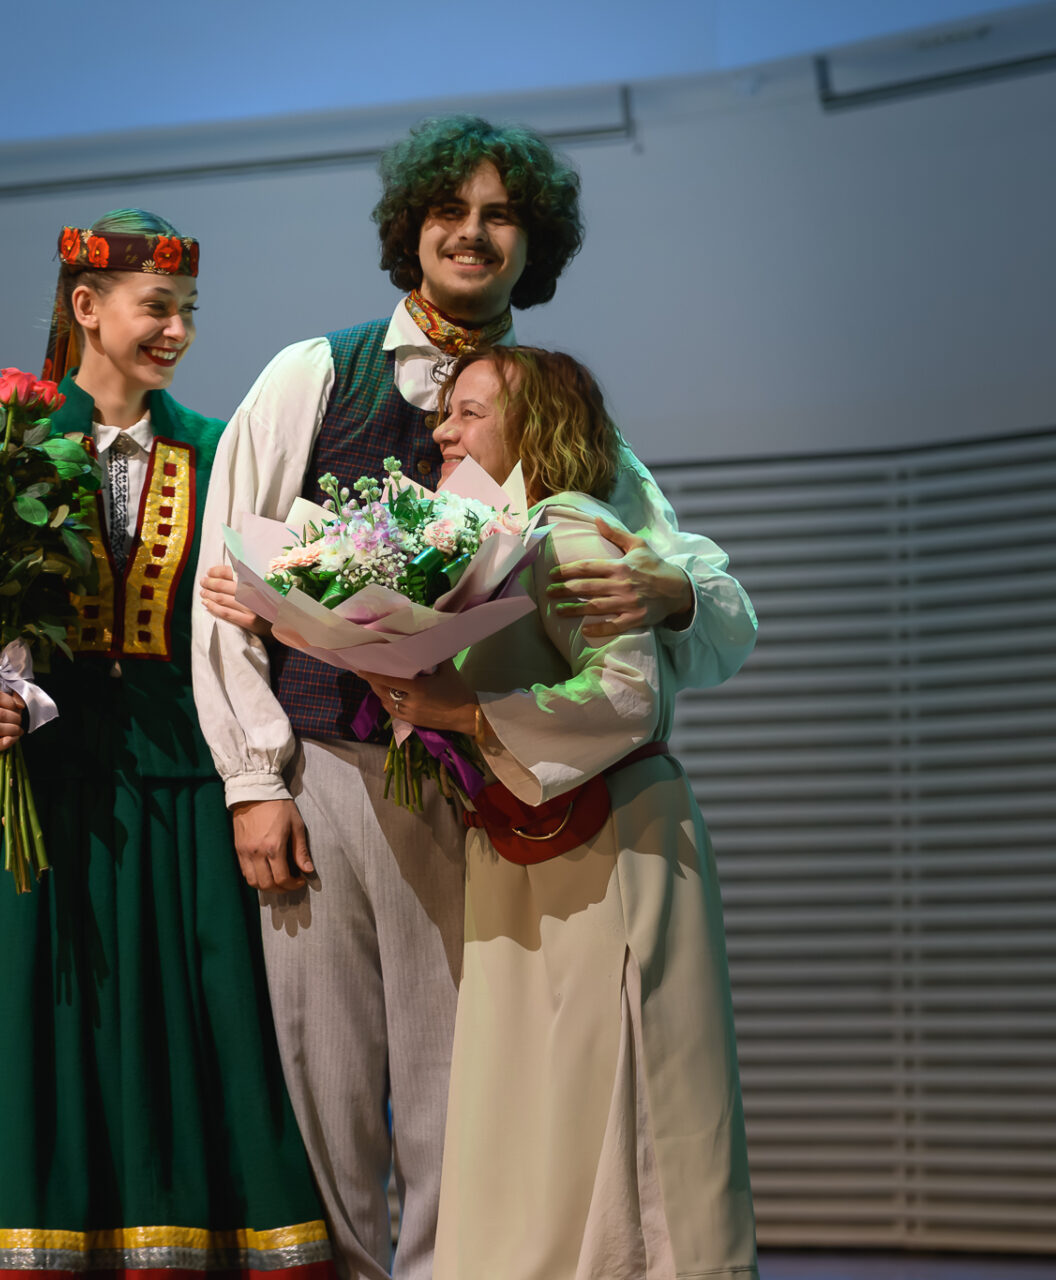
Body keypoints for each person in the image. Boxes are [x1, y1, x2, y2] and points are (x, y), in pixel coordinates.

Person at [192, 115, 757, 1280]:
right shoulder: (315, 372)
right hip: (325, 771)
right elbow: (226, 585)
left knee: (468, 1079)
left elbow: (686, 572)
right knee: (324, 1072)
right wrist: (253, 777)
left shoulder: (551, 406)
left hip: (479, 792)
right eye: (451, 210)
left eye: (501, 215)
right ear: (412, 228)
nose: (473, 233)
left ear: (533, 243)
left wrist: (672, 589)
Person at [0, 212, 336, 1280]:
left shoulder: (218, 448)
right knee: (32, 1038)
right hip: (36, 794)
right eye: (156, 307)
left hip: (175, 799)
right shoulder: (1, 448)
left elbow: (253, 616)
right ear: (85, 305)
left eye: (188, 312)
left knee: (184, 1045)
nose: (178, 330)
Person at [363, 346, 755, 1279]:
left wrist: (467, 715)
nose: (443, 432)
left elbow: (626, 699)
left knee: (609, 1090)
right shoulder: (497, 542)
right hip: (530, 848)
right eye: (446, 413)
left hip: (607, 850)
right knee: (536, 1097)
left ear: (535, 428)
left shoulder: (572, 532)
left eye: (469, 413)